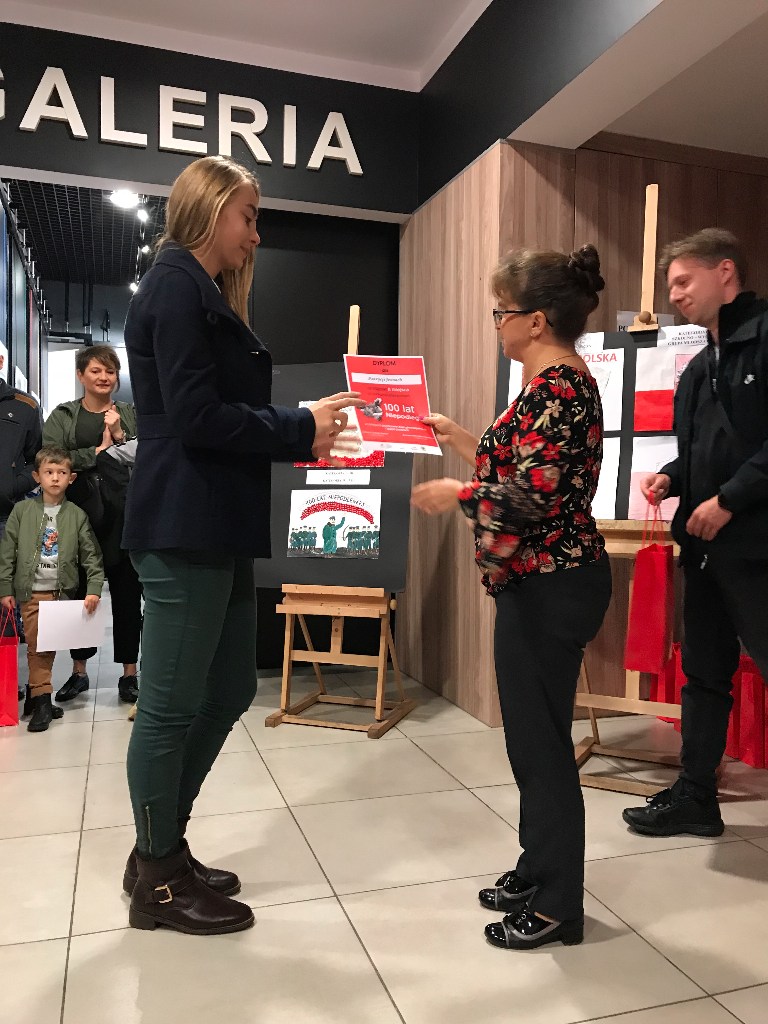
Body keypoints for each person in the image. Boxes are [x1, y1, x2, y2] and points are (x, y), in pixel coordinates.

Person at [121, 154, 363, 935]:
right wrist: (298, 426)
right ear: (210, 207)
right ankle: (158, 878)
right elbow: (197, 418)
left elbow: (211, 412)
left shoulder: (195, 290)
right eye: (248, 216)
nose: (256, 236)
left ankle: (162, 846)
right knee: (168, 708)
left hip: (215, 520)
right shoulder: (175, 286)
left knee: (227, 690)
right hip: (184, 521)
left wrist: (300, 427)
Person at [412, 245, 611, 951]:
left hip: (553, 582)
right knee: (531, 740)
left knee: (541, 745)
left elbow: (530, 497)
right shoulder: (547, 384)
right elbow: (517, 467)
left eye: (501, 312)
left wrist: (458, 494)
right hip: (542, 580)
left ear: (535, 320)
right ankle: (537, 868)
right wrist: (460, 440)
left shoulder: (562, 388)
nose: (496, 323)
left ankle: (559, 905)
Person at [623, 228, 768, 838]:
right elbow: (706, 449)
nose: (674, 295)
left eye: (684, 280)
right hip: (705, 549)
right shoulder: (702, 364)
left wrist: (730, 500)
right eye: (671, 285)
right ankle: (695, 797)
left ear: (724, 271)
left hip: (757, 549)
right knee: (704, 674)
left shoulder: (764, 341)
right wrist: (672, 476)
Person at [43, 345, 141, 705]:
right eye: (96, 371)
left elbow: (146, 456)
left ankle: (129, 673)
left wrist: (119, 436)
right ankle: (79, 671)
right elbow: (49, 459)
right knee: (79, 592)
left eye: (110, 371)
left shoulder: (129, 413)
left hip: (125, 515)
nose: (104, 377)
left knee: (128, 594)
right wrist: (95, 453)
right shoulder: (64, 415)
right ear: (81, 375)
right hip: (78, 515)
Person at [0, 446, 103, 732]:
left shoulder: (76, 515)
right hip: (31, 591)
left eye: (61, 472)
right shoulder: (22, 511)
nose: (55, 478)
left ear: (71, 478)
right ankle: (43, 702)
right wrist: (5, 588)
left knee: (48, 647)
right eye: (48, 472)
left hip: (61, 593)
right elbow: (7, 552)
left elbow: (92, 555)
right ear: (37, 476)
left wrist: (94, 587)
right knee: (38, 647)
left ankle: (35, 696)